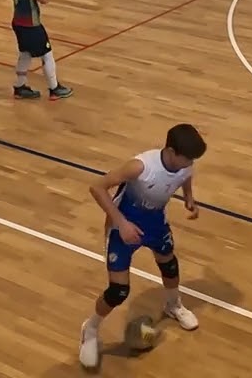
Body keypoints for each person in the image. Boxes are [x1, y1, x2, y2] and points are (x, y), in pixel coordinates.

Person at [78, 125, 206, 369]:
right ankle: (90, 329)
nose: (190, 163)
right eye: (187, 158)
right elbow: (97, 187)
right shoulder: (141, 167)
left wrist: (189, 197)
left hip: (155, 221)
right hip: (124, 225)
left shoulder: (185, 163)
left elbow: (185, 175)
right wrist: (122, 223)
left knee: (169, 264)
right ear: (170, 151)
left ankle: (173, 306)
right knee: (118, 291)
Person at [5, 0, 71, 100]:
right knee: (47, 55)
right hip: (31, 25)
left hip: (18, 22)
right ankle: (54, 88)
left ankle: (20, 86)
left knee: (25, 54)